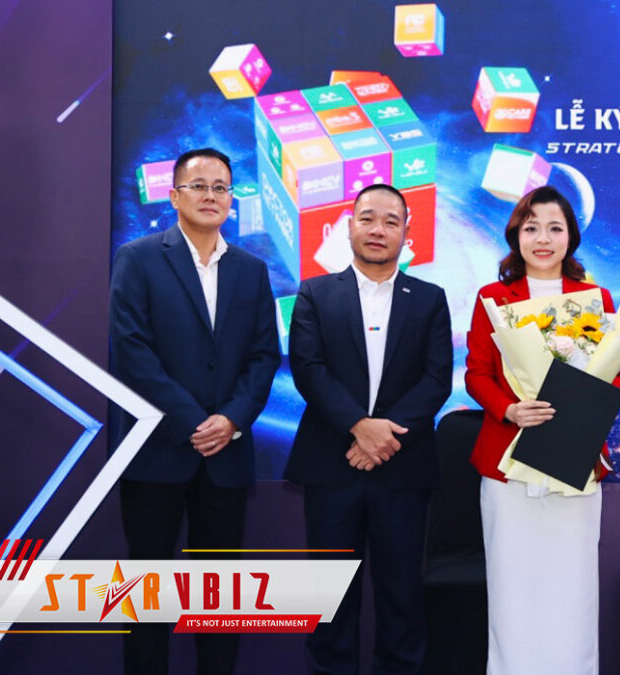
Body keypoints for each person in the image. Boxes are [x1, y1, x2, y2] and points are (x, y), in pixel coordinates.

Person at [109, 147, 280, 675]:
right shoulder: (138, 257)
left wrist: (230, 419)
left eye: (221, 187)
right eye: (199, 185)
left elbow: (264, 356)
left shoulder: (251, 270)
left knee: (219, 602)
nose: (211, 196)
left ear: (231, 199)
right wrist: (192, 422)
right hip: (156, 454)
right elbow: (131, 351)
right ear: (174, 195)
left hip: (226, 456)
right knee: (147, 599)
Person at [284, 183, 452, 675]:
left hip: (403, 470)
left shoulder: (429, 299)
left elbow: (436, 378)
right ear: (349, 226)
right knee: (330, 601)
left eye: (391, 221)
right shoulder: (315, 293)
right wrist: (360, 427)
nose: (378, 229)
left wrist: (383, 439)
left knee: (402, 599)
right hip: (332, 465)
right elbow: (308, 369)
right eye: (368, 218)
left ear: (406, 232)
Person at [464, 185, 618, 675]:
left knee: (573, 589)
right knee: (512, 589)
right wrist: (510, 409)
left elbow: (612, 376)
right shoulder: (492, 298)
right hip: (508, 463)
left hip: (573, 459)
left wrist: (579, 407)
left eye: (555, 228)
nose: (544, 239)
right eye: (532, 228)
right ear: (516, 235)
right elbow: (477, 374)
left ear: (571, 235)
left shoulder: (594, 298)